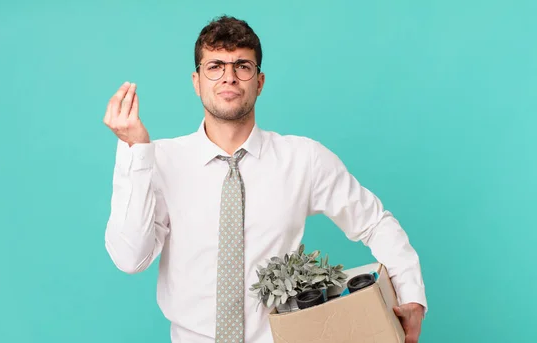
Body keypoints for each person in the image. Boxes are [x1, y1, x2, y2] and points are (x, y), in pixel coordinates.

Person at [103, 15, 427, 343]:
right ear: (196, 81)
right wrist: (136, 152)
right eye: (215, 66)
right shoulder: (156, 160)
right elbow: (131, 259)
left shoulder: (304, 159)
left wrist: (411, 295)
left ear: (259, 82)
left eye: (242, 66)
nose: (228, 77)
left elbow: (374, 222)